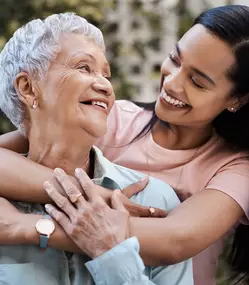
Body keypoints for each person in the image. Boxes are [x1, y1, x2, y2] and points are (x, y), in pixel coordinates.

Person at [0, 4, 249, 285]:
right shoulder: (112, 118)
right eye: (175, 59)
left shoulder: (236, 169)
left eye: (197, 82)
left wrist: (31, 228)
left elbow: (174, 240)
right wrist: (100, 195)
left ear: (238, 99)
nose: (172, 83)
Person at [0, 13, 194, 285]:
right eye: (83, 68)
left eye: (106, 74)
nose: (105, 85)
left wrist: (109, 252)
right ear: (28, 88)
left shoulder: (153, 200)